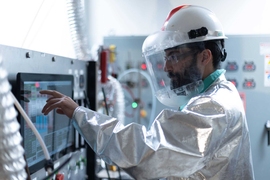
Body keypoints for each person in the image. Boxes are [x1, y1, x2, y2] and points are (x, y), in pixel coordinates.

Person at [40, 5, 255, 180]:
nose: (167, 68)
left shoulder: (214, 106)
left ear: (205, 57)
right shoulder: (216, 95)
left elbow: (148, 153)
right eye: (167, 58)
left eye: (175, 56)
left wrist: (80, 114)